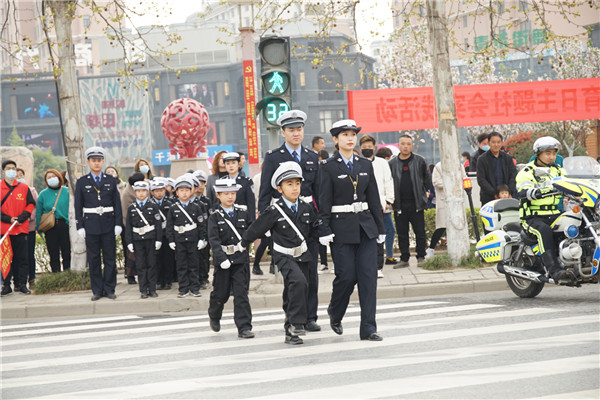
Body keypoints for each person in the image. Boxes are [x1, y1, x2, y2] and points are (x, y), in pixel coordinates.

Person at [318, 119, 385, 341]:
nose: (350, 138)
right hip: (341, 229)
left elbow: (374, 198)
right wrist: (324, 228)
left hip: (366, 228)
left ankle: (368, 328)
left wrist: (380, 228)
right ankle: (335, 312)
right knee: (346, 277)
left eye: (352, 134)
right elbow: (324, 201)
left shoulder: (365, 165)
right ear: (335, 140)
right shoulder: (327, 167)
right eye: (344, 135)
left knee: (368, 278)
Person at [258, 109, 321, 332]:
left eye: (299, 129)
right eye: (291, 130)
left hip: (307, 221)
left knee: (310, 271)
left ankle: (310, 316)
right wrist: (267, 225)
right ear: (283, 132)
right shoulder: (274, 157)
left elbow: (318, 193)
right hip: (284, 222)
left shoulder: (312, 156)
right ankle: (294, 316)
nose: (296, 133)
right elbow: (265, 193)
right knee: (293, 276)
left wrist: (321, 223)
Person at [243, 162, 318, 344]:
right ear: (279, 188)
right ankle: (295, 325)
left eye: (297, 184)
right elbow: (254, 231)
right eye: (289, 184)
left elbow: (314, 231)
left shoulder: (306, 207)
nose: (295, 188)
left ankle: (289, 328)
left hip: (303, 255)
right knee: (298, 282)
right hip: (283, 255)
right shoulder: (274, 211)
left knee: (297, 287)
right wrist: (242, 246)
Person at [515, 136, 574, 283]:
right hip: (533, 218)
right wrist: (535, 192)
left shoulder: (559, 170)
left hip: (555, 214)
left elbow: (572, 185)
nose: (551, 157)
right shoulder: (528, 171)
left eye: (554, 153)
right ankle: (555, 270)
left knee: (577, 225)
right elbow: (522, 190)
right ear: (538, 154)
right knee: (544, 230)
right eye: (548, 153)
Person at [208, 178, 254, 339]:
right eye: (226, 193)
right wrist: (221, 259)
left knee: (241, 294)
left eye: (233, 193)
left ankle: (244, 327)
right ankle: (214, 314)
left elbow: (251, 230)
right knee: (221, 294)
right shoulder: (214, 216)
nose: (230, 197)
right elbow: (213, 241)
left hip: (240, 259)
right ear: (218, 195)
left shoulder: (242, 212)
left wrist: (247, 243)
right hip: (224, 262)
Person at [74, 147, 123, 301]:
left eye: (99, 160)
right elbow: (78, 206)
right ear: (88, 162)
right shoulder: (82, 182)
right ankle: (97, 290)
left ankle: (109, 289)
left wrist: (118, 224)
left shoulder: (110, 180)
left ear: (103, 162)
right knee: (94, 260)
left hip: (108, 224)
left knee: (110, 259)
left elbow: (117, 203)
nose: (96, 163)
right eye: (93, 161)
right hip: (91, 225)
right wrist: (80, 226)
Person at [389, 134, 431, 268]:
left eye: (408, 144)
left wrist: (425, 193)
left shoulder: (420, 160)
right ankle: (404, 259)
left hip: (416, 203)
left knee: (420, 232)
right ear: (399, 145)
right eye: (403, 143)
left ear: (412, 146)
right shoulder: (392, 163)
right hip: (399, 204)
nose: (405, 146)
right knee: (402, 233)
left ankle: (421, 256)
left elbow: (427, 179)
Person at [166, 175, 207, 298]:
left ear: (191, 191)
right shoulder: (173, 208)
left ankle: (195, 288)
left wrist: (202, 239)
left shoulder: (196, 207)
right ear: (176, 192)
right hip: (179, 240)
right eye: (181, 190)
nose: (184, 193)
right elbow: (169, 226)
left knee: (194, 265)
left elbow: (202, 225)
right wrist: (171, 240)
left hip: (193, 239)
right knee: (181, 265)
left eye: (187, 190)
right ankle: (183, 288)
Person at [359, 135, 394, 279]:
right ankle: (365, 266)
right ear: (360, 148)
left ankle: (378, 267)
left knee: (380, 235)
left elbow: (388, 181)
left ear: (374, 147)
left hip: (379, 205)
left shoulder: (382, 163)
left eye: (369, 146)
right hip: (362, 206)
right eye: (364, 147)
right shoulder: (358, 162)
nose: (367, 149)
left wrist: (388, 200)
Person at [1, 160, 35, 296]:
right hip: (5, 230)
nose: (11, 171)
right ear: (3, 172)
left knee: (22, 258)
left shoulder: (24, 188)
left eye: (13, 168)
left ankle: (21, 284)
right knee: (6, 258)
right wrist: (8, 219)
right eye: (8, 168)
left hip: (21, 228)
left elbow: (31, 204)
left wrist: (22, 217)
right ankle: (6, 285)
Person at [125, 181, 162, 298]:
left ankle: (152, 289)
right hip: (137, 240)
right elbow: (129, 227)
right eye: (138, 191)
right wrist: (129, 242)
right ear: (135, 192)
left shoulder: (153, 206)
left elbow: (158, 225)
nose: (141, 194)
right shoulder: (131, 208)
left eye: (143, 191)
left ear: (147, 192)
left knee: (151, 264)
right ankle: (143, 289)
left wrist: (158, 240)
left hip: (150, 238)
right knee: (140, 265)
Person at [36, 169, 70, 273]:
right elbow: (39, 212)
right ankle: (56, 276)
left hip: (65, 225)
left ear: (59, 177)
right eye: (48, 177)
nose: (51, 179)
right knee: (53, 253)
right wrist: (39, 228)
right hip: (50, 227)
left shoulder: (67, 191)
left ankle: (68, 275)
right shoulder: (43, 194)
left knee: (67, 252)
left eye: (53, 176)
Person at [476, 131, 517, 206]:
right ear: (488, 143)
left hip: (507, 197)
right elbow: (481, 179)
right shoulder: (482, 159)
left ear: (501, 143)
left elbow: (513, 175)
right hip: (488, 198)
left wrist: (508, 192)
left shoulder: (507, 158)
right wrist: (495, 194)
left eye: (498, 142)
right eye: (493, 142)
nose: (496, 145)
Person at [121, 172, 146, 285]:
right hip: (130, 227)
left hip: (145, 227)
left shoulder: (145, 189)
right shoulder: (127, 194)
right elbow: (125, 214)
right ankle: (130, 275)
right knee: (130, 253)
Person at [150, 178, 175, 290]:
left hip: (167, 234)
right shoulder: (150, 205)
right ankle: (159, 280)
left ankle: (168, 280)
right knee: (156, 259)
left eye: (161, 190)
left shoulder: (170, 203)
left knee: (168, 258)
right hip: (155, 235)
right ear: (152, 192)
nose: (159, 193)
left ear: (165, 190)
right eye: (156, 191)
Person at [16, 168, 38, 286]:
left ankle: (32, 279)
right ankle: (18, 281)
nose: (19, 177)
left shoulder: (32, 190)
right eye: (17, 175)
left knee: (29, 254)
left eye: (21, 175)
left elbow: (35, 207)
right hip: (14, 228)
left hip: (29, 227)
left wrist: (28, 218)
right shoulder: (10, 191)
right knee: (16, 256)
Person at [222, 152, 255, 221]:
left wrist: (252, 223)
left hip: (242, 218)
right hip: (226, 218)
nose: (231, 166)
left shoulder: (247, 181)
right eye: (228, 164)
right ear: (224, 165)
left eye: (233, 163)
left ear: (239, 164)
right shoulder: (221, 182)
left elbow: (251, 204)